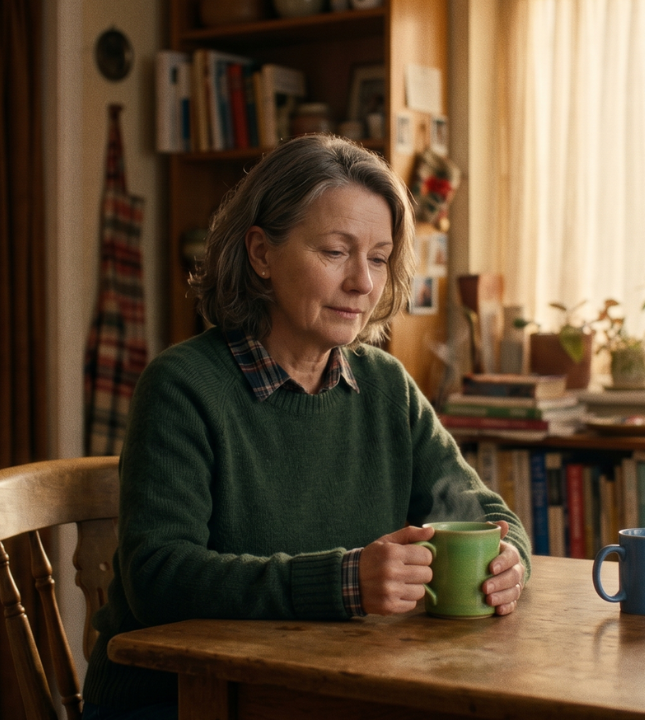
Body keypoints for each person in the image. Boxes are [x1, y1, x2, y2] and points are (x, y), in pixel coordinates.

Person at [82, 135, 531, 720]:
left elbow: (488, 514)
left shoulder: (386, 387)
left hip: (329, 688)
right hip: (177, 699)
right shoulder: (182, 387)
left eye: (378, 258)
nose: (363, 283)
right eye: (335, 252)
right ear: (261, 255)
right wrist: (344, 581)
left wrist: (508, 561)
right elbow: (159, 578)